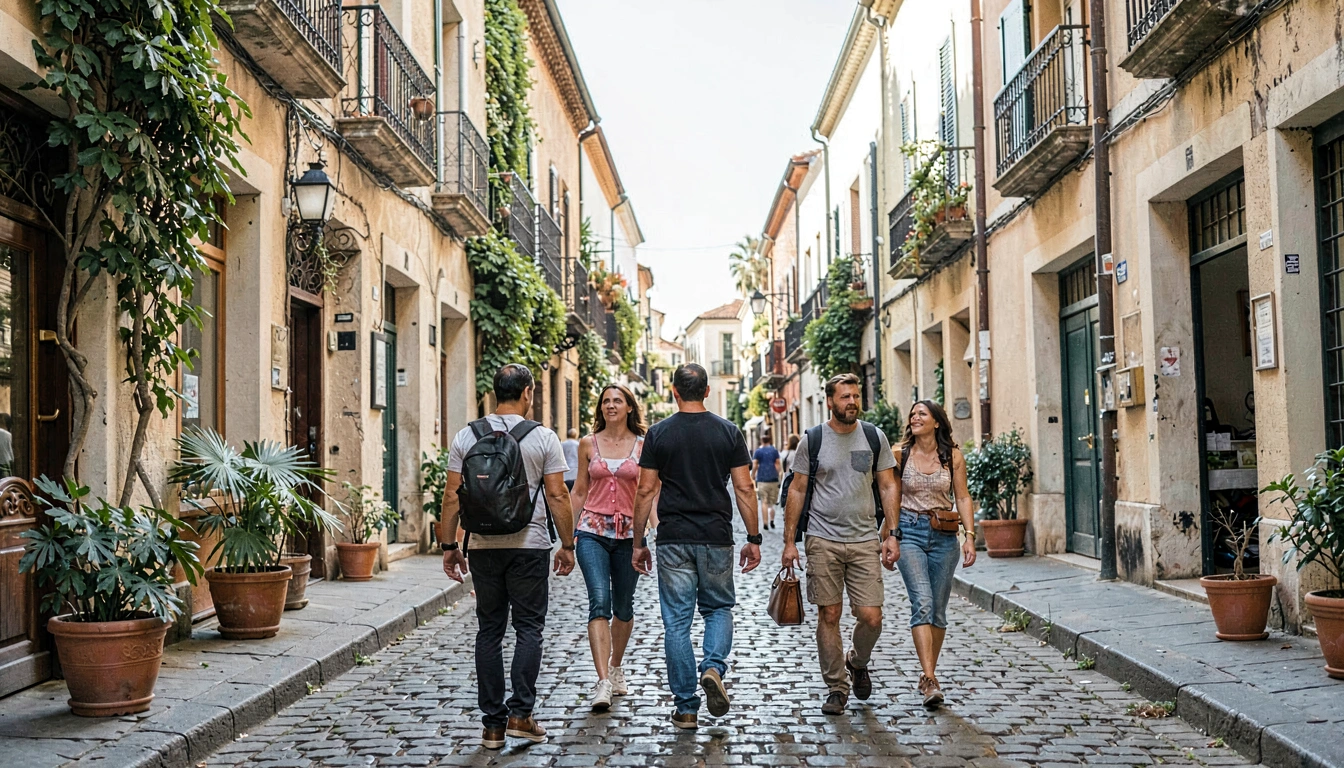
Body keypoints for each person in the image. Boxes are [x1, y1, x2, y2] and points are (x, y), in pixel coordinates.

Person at [439, 364, 576, 749]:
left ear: (494, 392)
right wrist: (567, 544)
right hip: (529, 546)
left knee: (489, 630)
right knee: (529, 629)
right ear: (528, 392)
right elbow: (558, 496)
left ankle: (493, 727)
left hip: (483, 547)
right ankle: (521, 714)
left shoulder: (467, 435)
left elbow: (452, 496)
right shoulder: (543, 438)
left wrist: (450, 546)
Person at [632, 363, 762, 730]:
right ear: (707, 391)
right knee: (718, 608)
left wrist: (638, 541)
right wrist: (753, 538)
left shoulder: (657, 434)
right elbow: (744, 488)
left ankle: (686, 707)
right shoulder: (728, 432)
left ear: (674, 392)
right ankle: (713, 667)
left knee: (676, 621)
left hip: (673, 537)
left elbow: (645, 490)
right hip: (716, 535)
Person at [781, 373, 901, 715]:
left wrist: (892, 533)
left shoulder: (874, 437)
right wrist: (790, 542)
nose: (852, 402)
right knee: (829, 613)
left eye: (856, 396)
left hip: (864, 539)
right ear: (830, 401)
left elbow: (888, 486)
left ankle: (857, 661)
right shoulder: (813, 440)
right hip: (822, 539)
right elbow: (798, 489)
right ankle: (836, 686)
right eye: (845, 397)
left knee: (871, 617)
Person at [893, 400, 977, 709]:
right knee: (923, 603)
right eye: (912, 413)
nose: (915, 417)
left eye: (921, 414)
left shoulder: (952, 456)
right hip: (909, 531)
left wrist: (970, 537)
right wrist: (888, 537)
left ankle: (929, 673)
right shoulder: (899, 454)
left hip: (944, 535)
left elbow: (963, 496)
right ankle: (929, 679)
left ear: (936, 422)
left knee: (939, 612)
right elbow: (891, 497)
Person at [568, 384, 645, 712]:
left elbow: (648, 493)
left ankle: (616, 666)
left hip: (629, 537)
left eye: (618, 401)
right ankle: (602, 682)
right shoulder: (588, 444)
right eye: (605, 401)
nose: (611, 405)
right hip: (591, 533)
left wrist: (651, 536)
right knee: (598, 601)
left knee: (623, 607)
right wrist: (565, 538)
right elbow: (579, 491)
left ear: (629, 407)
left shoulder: (643, 445)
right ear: (600, 408)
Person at [751, 433, 781, 530]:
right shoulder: (774, 451)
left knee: (764, 501)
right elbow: (777, 465)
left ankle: (765, 523)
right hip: (773, 480)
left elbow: (755, 465)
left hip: (762, 480)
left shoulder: (758, 452)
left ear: (761, 441)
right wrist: (778, 475)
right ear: (769, 441)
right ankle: (772, 520)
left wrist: (753, 475)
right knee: (772, 503)